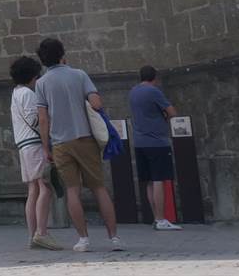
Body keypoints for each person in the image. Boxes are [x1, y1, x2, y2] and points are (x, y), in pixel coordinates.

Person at [33, 37, 122, 253]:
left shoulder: (42, 83)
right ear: (63, 53)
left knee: (73, 190)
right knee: (99, 188)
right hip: (85, 138)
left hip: (61, 143)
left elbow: (43, 119)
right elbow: (96, 103)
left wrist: (46, 148)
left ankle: (83, 239)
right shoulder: (79, 74)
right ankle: (114, 238)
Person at [9, 56, 61, 250]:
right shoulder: (29, 94)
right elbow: (35, 120)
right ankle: (42, 232)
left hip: (24, 144)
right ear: (32, 76)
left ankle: (33, 235)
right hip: (34, 144)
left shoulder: (16, 93)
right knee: (45, 187)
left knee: (33, 190)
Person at [128, 65, 180, 230]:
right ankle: (161, 218)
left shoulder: (133, 92)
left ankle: (156, 218)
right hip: (156, 142)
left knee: (149, 181)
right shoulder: (154, 91)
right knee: (159, 179)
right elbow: (172, 112)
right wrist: (163, 115)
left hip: (139, 141)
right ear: (154, 78)